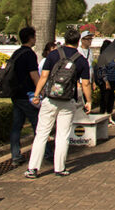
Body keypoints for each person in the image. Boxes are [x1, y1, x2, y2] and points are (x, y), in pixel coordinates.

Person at [26, 26, 91, 178]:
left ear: (65, 40)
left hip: (50, 99)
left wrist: (37, 94)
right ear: (78, 41)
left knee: (41, 134)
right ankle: (59, 168)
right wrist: (88, 101)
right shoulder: (81, 60)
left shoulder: (54, 55)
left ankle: (33, 168)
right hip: (68, 100)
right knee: (62, 135)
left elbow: (43, 77)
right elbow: (86, 84)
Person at [9, 27, 40, 166]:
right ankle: (44, 153)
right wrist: (40, 91)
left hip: (16, 94)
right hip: (28, 94)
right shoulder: (30, 54)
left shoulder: (17, 53)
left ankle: (16, 155)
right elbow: (34, 75)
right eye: (34, 36)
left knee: (16, 126)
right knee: (38, 126)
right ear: (30, 38)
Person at [98, 39, 115, 124]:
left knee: (110, 99)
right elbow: (103, 70)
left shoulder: (111, 57)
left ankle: (109, 117)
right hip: (106, 81)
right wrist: (106, 81)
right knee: (105, 99)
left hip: (112, 80)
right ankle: (103, 117)